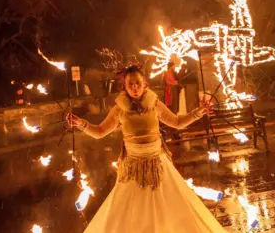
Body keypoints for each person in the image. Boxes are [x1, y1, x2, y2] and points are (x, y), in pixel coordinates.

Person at [66, 66, 226, 233]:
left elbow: (177, 122)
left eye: (137, 83)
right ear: (125, 87)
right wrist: (81, 124)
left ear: (144, 84)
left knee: (169, 210)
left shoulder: (154, 103)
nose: (134, 87)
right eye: (130, 84)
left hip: (158, 166)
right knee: (130, 214)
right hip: (132, 169)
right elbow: (99, 132)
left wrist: (199, 112)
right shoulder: (119, 108)